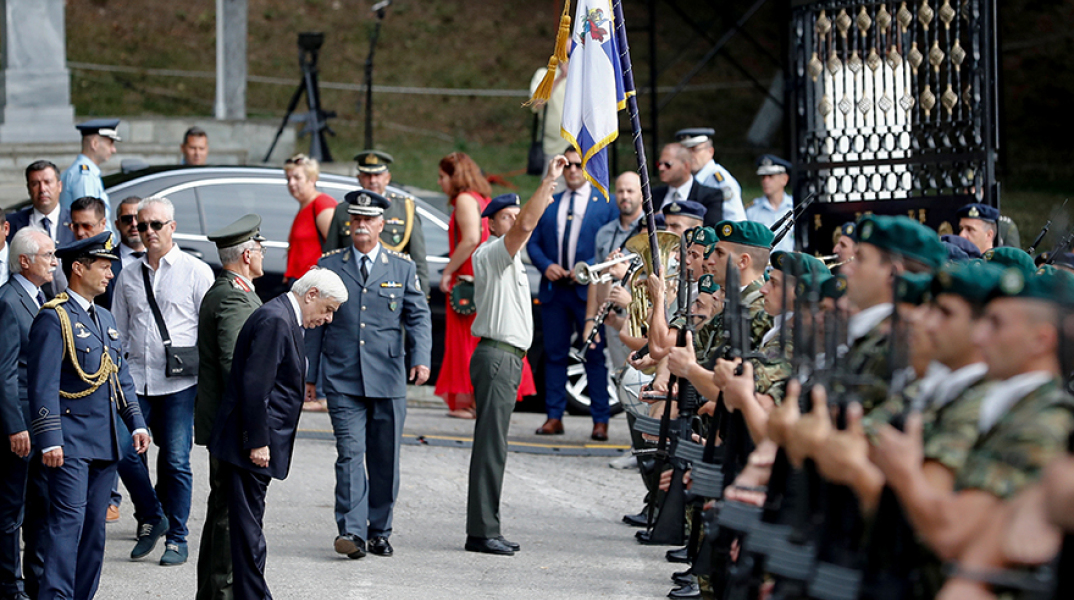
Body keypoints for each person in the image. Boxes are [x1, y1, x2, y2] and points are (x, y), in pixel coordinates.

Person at [305, 190, 433, 560]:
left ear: (381, 225)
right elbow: (315, 324)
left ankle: (379, 530)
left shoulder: (401, 267)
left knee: (385, 457)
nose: (361, 225)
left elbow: (418, 316)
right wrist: (310, 375)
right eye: (356, 219)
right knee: (349, 454)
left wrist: (421, 358)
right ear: (349, 224)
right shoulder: (329, 266)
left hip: (388, 376)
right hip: (343, 376)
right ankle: (352, 533)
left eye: (368, 220)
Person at [208, 269, 346, 600]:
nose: (326, 319)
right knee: (247, 530)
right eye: (327, 309)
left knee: (244, 527)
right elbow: (256, 387)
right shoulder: (276, 320)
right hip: (253, 444)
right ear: (311, 294)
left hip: (255, 441)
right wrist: (258, 441)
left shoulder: (282, 316)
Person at [28, 231, 150, 600]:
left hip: (105, 441)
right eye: (104, 266)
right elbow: (42, 384)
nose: (111, 274)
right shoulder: (55, 318)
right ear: (78, 268)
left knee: (95, 529)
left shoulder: (105, 317)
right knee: (68, 525)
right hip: (69, 441)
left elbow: (120, 378)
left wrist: (137, 423)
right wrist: (49, 438)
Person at [466, 156, 568, 556]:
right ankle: (481, 530)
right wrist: (547, 181)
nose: (514, 221)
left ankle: (485, 526)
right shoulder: (493, 252)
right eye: (505, 216)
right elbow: (527, 224)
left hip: (505, 355)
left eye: (514, 215)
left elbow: (525, 224)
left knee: (494, 445)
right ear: (491, 224)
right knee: (491, 447)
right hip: (497, 355)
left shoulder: (507, 258)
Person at [112, 196, 215, 566]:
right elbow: (119, 333)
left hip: (179, 384)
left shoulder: (196, 271)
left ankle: (178, 537)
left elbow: (210, 328)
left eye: (157, 225)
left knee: (175, 462)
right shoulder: (127, 273)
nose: (149, 232)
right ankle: (153, 515)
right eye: (142, 226)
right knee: (121, 451)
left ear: (172, 227)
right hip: (136, 382)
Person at [195, 215, 266, 600]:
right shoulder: (234, 296)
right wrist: (250, 424)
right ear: (245, 254)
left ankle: (214, 591)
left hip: (226, 423)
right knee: (227, 516)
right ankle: (221, 593)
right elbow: (236, 365)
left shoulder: (233, 291)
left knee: (224, 509)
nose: (262, 254)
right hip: (232, 425)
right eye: (259, 248)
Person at [526, 147, 618, 440]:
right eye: (567, 166)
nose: (573, 171)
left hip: (587, 290)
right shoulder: (551, 202)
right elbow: (533, 241)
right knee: (554, 354)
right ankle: (554, 416)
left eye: (578, 165)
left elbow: (611, 245)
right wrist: (545, 265)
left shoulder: (604, 202)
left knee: (593, 352)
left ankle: (600, 419)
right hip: (555, 289)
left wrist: (587, 267)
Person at [434, 152, 532, 418]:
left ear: (455, 176)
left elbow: (470, 239)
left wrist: (448, 271)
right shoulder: (480, 198)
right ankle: (479, 400)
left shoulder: (465, 199)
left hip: (467, 278)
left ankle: (474, 401)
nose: (440, 183)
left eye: (442, 177)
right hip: (478, 275)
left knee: (468, 340)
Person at [0, 229, 55, 600]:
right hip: (18, 425)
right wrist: (15, 425)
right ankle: (9, 586)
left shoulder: (40, 295)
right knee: (10, 509)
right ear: (25, 261)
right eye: (48, 255)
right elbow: (3, 371)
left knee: (41, 504)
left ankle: (36, 581)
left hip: (39, 422)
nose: (54, 261)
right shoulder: (7, 301)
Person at [323, 150, 429, 295]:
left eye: (377, 175)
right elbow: (331, 254)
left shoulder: (404, 209)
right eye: (367, 176)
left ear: (388, 178)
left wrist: (421, 297)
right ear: (359, 178)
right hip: (351, 289)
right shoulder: (343, 210)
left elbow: (419, 261)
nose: (372, 181)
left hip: (392, 291)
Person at [9, 161, 76, 298]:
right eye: (35, 184)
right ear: (28, 188)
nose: (42, 189)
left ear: (59, 186)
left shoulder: (77, 223)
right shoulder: (12, 224)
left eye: (47, 182)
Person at [283, 154, 337, 284]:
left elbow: (335, 248)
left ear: (312, 179)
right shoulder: (304, 206)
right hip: (299, 281)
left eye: (297, 178)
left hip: (313, 284)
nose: (291, 183)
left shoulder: (321, 204)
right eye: (288, 178)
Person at [58, 120, 119, 231]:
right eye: (110, 143)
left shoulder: (84, 172)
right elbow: (88, 222)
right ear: (94, 144)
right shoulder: (84, 176)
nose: (113, 149)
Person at [675, 127, 745, 222]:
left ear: (710, 151)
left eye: (695, 150)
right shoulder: (686, 179)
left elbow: (735, 221)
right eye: (686, 151)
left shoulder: (721, 183)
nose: (690, 155)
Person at [652, 142, 723, 228]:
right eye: (659, 164)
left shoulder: (710, 196)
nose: (661, 168)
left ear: (686, 166)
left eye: (668, 165)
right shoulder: (653, 194)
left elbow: (711, 232)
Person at [68, 197, 113, 308]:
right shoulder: (65, 260)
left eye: (86, 226)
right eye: (75, 226)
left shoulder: (118, 258)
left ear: (103, 223)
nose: (80, 232)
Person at [745, 154, 794, 253]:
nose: (765, 181)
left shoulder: (795, 206)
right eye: (763, 177)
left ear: (784, 179)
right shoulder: (752, 211)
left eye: (771, 176)